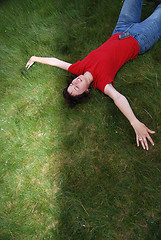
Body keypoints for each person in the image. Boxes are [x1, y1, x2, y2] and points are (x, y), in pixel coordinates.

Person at [26, 0, 161, 151]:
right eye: (77, 87)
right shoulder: (102, 83)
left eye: (72, 84)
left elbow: (56, 62)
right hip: (140, 39)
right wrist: (134, 122)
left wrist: (35, 58)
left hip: (121, 29)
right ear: (86, 91)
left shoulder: (78, 69)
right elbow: (118, 98)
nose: (75, 82)